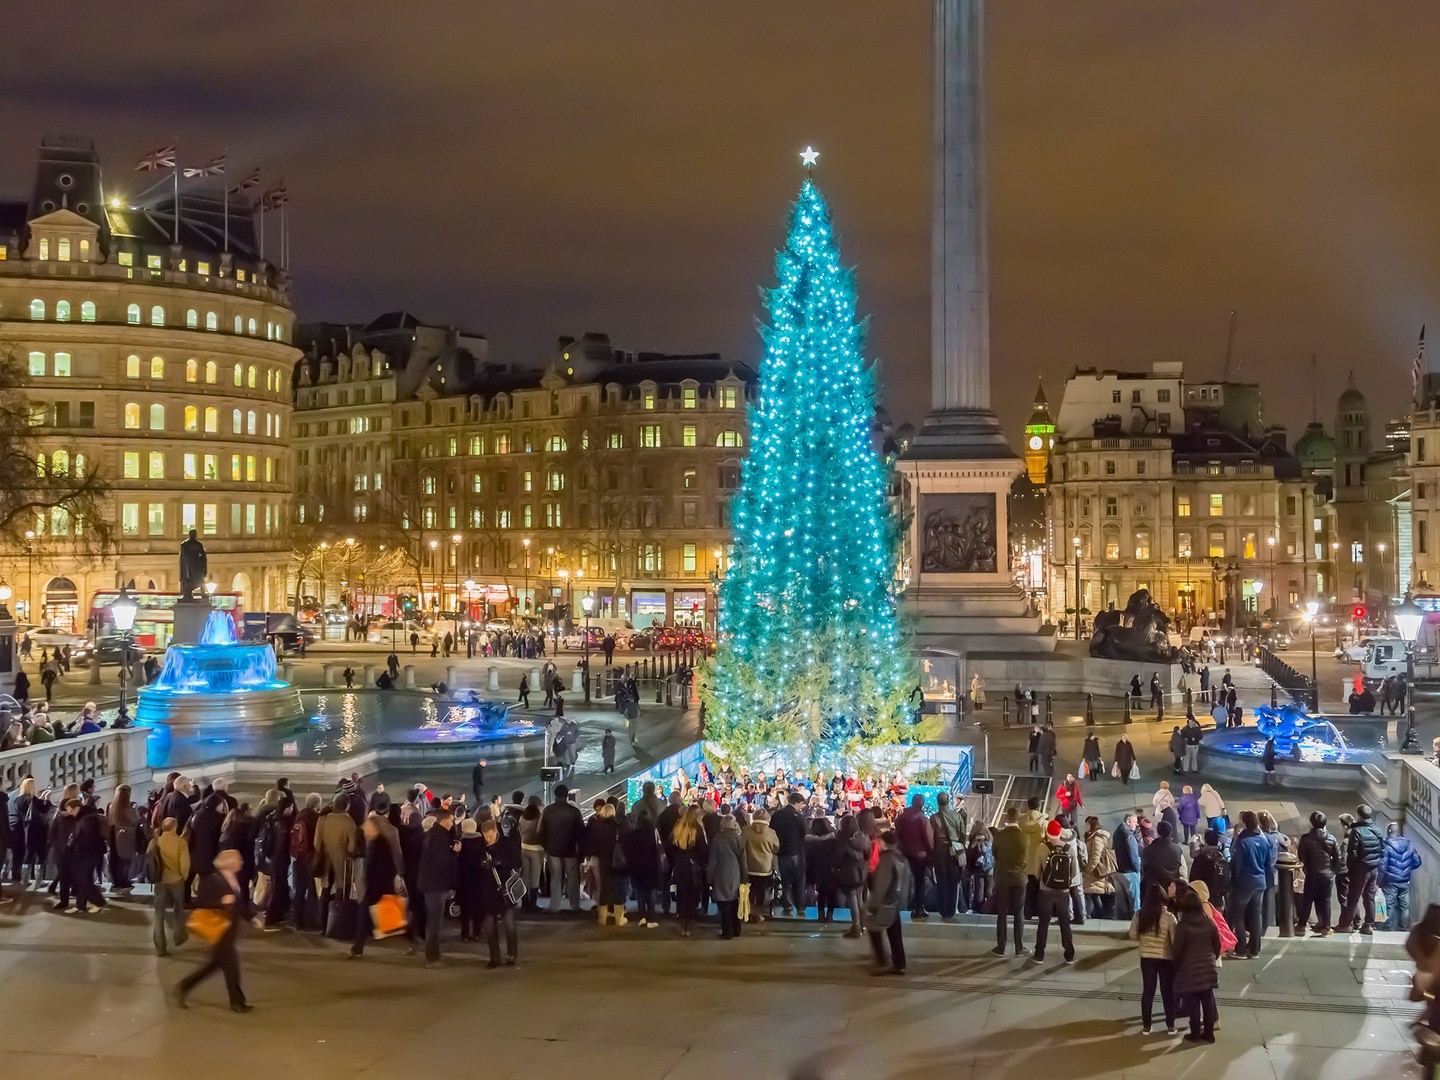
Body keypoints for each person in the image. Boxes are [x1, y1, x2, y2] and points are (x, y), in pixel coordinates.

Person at [175, 849, 250, 1013]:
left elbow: (238, 904)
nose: (241, 863)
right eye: (238, 860)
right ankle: (237, 1002)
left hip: (228, 930)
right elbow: (201, 901)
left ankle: (184, 987)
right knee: (232, 968)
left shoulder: (233, 879)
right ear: (230, 862)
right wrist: (221, 900)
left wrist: (251, 917)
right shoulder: (213, 880)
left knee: (211, 967)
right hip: (220, 930)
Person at [1171, 887, 1221, 1043]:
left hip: (1189, 970)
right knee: (1207, 1002)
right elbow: (1217, 945)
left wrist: (1177, 967)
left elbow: (1177, 950)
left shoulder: (1183, 926)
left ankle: (1195, 1033)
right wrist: (1212, 958)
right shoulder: (1209, 924)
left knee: (1193, 1004)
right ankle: (1209, 1033)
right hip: (1208, 968)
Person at [1129, 883, 1178, 1035]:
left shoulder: (1140, 914)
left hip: (1147, 958)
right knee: (1167, 992)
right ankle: (1170, 1026)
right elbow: (1174, 939)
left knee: (1148, 991)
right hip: (1165, 959)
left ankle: (1146, 1026)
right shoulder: (1169, 917)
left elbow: (1132, 935)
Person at [417, 805, 460, 966]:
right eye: (451, 821)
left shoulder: (430, 834)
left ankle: (433, 954)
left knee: (432, 921)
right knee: (435, 923)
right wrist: (455, 852)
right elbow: (443, 863)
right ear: (444, 820)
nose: (452, 823)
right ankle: (432, 958)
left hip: (428, 884)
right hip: (436, 885)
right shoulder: (440, 838)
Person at [865, 830, 909, 976]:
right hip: (896, 901)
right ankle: (900, 964)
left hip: (886, 902)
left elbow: (882, 884)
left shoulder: (887, 858)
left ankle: (882, 962)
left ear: (884, 842)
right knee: (895, 933)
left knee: (874, 929)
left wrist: (873, 905)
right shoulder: (901, 856)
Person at [1336, 803, 1385, 935]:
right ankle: (1368, 924)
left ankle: (1346, 925)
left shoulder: (1356, 832)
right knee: (1369, 897)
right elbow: (1382, 850)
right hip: (1374, 868)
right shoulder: (1378, 830)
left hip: (1360, 869)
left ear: (1358, 815)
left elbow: (1352, 853)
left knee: (1353, 897)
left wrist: (1351, 869)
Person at [1229, 810, 1269, 958]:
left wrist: (1234, 880)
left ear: (1244, 823)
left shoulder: (1242, 841)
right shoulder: (1263, 841)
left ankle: (1240, 949)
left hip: (1245, 881)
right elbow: (1268, 863)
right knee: (1256, 915)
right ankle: (1255, 948)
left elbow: (1236, 863)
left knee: (1238, 914)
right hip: (1260, 881)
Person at [538, 784, 583, 913]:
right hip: (570, 850)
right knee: (573, 879)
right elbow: (580, 832)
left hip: (552, 850)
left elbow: (540, 830)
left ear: (554, 794)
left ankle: (554, 906)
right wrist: (580, 850)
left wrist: (545, 846)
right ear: (567, 794)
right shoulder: (574, 811)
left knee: (555, 878)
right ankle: (574, 905)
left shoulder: (548, 810)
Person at [148, 817, 190, 955]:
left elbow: (149, 861)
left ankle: (160, 946)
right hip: (176, 880)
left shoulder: (155, 841)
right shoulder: (180, 842)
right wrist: (183, 876)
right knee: (178, 909)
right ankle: (179, 936)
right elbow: (184, 863)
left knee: (159, 914)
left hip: (160, 880)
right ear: (175, 827)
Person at [990, 806, 1028, 957]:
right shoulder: (1025, 837)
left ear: (1007, 818)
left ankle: (1001, 947)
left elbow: (994, 853)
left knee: (1002, 913)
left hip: (1003, 878)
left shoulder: (999, 836)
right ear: (1018, 819)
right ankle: (1019, 948)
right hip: (1019, 879)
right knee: (1019, 913)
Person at [1295, 810, 1340, 936]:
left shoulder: (1305, 838)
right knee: (1325, 900)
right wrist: (1332, 872)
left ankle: (1302, 926)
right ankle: (1326, 927)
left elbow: (1301, 855)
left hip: (1312, 873)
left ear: (1311, 823)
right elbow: (1338, 858)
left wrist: (1307, 867)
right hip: (1327, 875)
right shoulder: (1331, 838)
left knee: (1307, 900)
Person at [584, 801, 626, 926]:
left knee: (604, 888)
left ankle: (602, 918)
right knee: (618, 888)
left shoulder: (597, 826)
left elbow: (591, 845)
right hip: (617, 861)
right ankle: (619, 919)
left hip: (602, 860)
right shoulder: (618, 826)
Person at [670, 805, 708, 937]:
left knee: (682, 896)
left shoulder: (678, 828)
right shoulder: (697, 829)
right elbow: (703, 851)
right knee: (692, 897)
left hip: (680, 866)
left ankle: (682, 926)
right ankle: (689, 927)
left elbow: (671, 847)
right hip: (694, 868)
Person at [929, 792, 967, 919]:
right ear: (948, 801)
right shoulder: (957, 816)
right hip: (955, 851)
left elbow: (931, 838)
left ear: (938, 802)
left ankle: (943, 909)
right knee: (954, 881)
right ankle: (951, 910)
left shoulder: (934, 818)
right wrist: (960, 847)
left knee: (942, 881)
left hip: (940, 852)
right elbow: (963, 834)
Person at [708, 812, 746, 939]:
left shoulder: (718, 838)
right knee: (735, 902)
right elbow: (743, 860)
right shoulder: (738, 838)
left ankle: (727, 932)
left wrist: (709, 878)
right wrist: (745, 878)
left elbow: (713, 860)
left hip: (721, 873)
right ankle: (737, 929)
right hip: (735, 873)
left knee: (724, 904)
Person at [895, 794, 933, 921]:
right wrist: (931, 852)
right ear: (922, 804)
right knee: (920, 882)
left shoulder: (901, 818)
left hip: (904, 854)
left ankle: (904, 907)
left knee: (905, 881)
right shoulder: (923, 820)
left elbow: (897, 835)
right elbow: (928, 839)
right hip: (920, 856)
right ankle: (919, 908)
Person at [624, 808, 663, 928]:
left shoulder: (632, 834)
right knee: (650, 893)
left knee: (640, 893)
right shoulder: (652, 833)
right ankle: (651, 919)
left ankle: (642, 917)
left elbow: (629, 852)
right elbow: (656, 851)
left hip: (637, 867)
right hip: (650, 867)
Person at [1380, 822, 1423, 931]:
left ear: (1388, 831)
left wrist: (1378, 881)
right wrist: (1406, 869)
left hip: (1390, 880)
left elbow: (1383, 866)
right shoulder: (1409, 844)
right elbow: (1417, 862)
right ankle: (1403, 928)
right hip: (1405, 880)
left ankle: (1387, 927)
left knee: (1389, 904)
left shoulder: (1386, 846)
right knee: (1404, 906)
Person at [771, 791, 808, 917]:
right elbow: (805, 832)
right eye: (801, 804)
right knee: (799, 880)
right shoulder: (798, 816)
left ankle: (787, 906)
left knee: (785, 880)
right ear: (796, 803)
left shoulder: (777, 815)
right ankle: (801, 907)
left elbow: (772, 831)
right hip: (796, 852)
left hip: (781, 852)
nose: (801, 807)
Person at [743, 809, 780, 922]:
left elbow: (741, 847)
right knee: (762, 891)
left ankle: (750, 912)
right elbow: (776, 848)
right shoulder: (771, 832)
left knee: (750, 891)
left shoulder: (746, 831)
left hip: (749, 866)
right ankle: (759, 913)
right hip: (765, 867)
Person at [106, 784, 142, 894]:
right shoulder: (127, 809)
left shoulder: (111, 806)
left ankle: (116, 881)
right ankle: (124, 880)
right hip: (127, 836)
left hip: (114, 835)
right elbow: (135, 821)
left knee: (116, 860)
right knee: (126, 860)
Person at [1081, 816, 1117, 919]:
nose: (1085, 826)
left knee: (1091, 894)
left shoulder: (1097, 838)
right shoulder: (1092, 836)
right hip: (1094, 871)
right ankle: (1096, 916)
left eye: (1087, 824)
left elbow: (1095, 856)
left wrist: (1088, 869)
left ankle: (1090, 915)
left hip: (1095, 871)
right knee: (1093, 894)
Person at [1112, 812, 1142, 919]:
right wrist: (1138, 869)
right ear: (1128, 821)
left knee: (1121, 902)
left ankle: (1120, 923)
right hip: (1130, 872)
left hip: (1119, 870)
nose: (1136, 824)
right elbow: (1133, 855)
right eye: (1134, 822)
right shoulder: (1128, 835)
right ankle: (1135, 923)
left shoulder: (1117, 832)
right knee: (1135, 901)